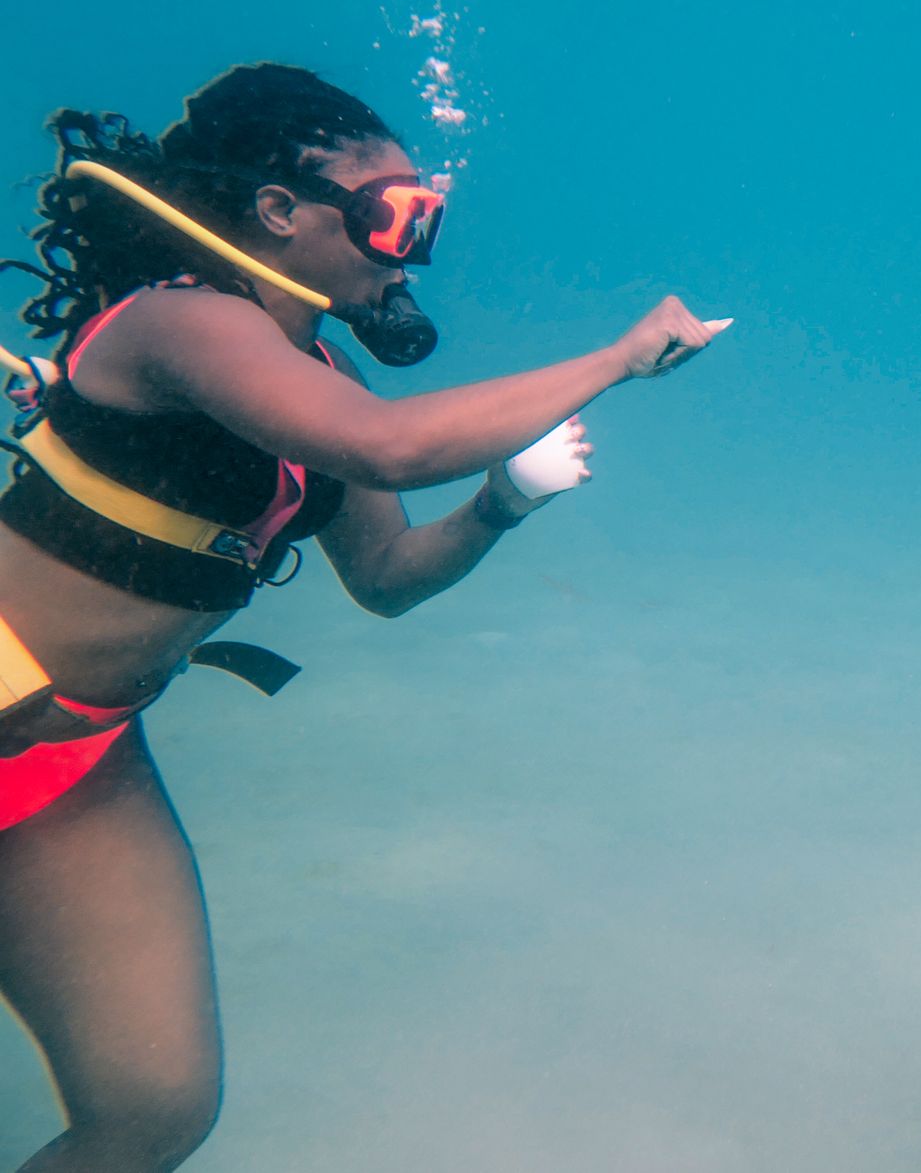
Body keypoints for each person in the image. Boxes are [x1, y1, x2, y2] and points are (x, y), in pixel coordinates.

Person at [0, 63, 724, 1172]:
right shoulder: (184, 323)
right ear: (281, 212)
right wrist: (617, 360)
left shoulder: (315, 375)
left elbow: (384, 574)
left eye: (425, 218)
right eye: (395, 215)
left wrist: (499, 504)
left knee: (153, 1107)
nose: (413, 248)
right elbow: (387, 448)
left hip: (75, 760)